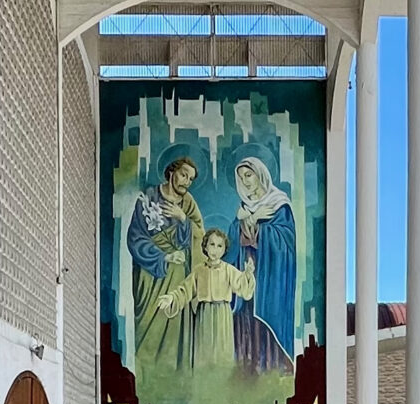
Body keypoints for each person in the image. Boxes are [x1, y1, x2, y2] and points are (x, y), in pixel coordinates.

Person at [127, 155, 202, 381]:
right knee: (150, 327)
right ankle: (147, 379)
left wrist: (183, 220)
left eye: (190, 179)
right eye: (183, 175)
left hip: (178, 276)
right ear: (171, 172)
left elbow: (201, 238)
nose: (186, 182)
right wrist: (164, 256)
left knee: (175, 327)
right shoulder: (149, 197)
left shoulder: (188, 203)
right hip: (151, 275)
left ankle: (173, 379)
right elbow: (135, 238)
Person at [231, 154, 297, 376]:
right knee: (245, 323)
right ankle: (246, 372)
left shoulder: (279, 205)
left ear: (260, 175)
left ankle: (270, 370)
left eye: (249, 175)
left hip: (270, 278)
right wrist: (245, 222)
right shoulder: (243, 209)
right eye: (241, 178)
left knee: (265, 327)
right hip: (247, 277)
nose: (246, 181)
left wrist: (258, 227)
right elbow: (231, 243)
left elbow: (286, 242)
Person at [185, 230, 256, 371]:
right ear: (205, 247)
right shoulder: (199, 270)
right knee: (204, 352)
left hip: (222, 314)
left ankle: (222, 387)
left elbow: (243, 289)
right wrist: (171, 298)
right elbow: (186, 289)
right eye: (212, 244)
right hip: (204, 314)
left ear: (224, 249)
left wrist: (248, 274)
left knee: (222, 352)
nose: (215, 250)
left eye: (219, 246)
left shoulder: (229, 270)